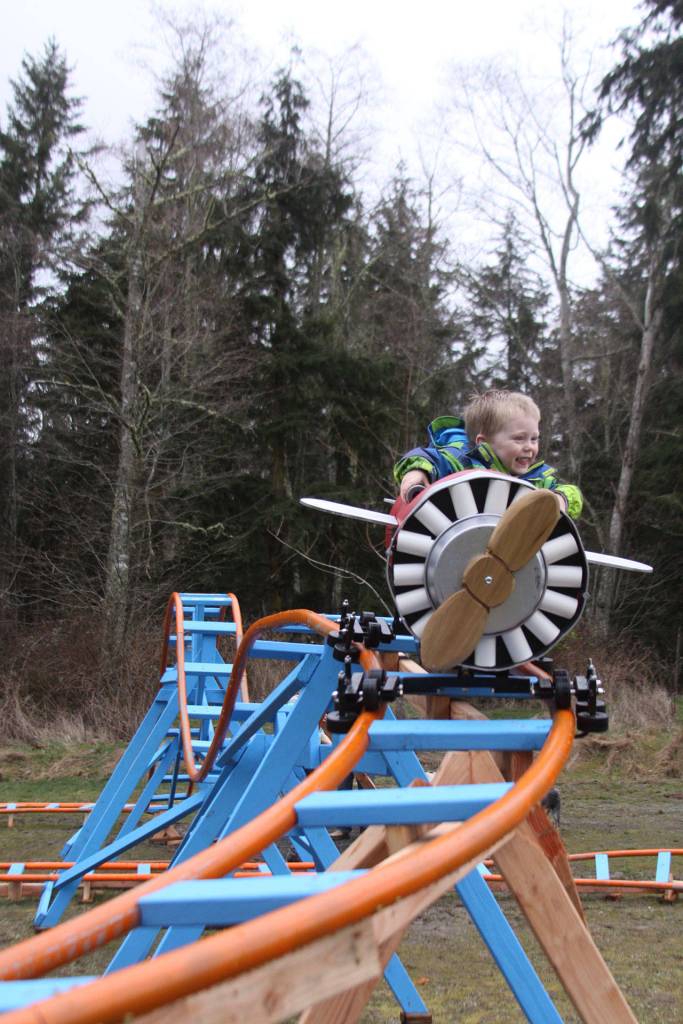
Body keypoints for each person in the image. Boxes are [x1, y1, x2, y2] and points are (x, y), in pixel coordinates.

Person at [394, 389, 582, 519]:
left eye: (534, 439)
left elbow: (571, 492)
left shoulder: (536, 480)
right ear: (484, 442)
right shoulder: (462, 462)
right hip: (449, 546)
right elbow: (429, 459)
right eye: (519, 439)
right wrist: (417, 473)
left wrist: (560, 500)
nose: (529, 447)